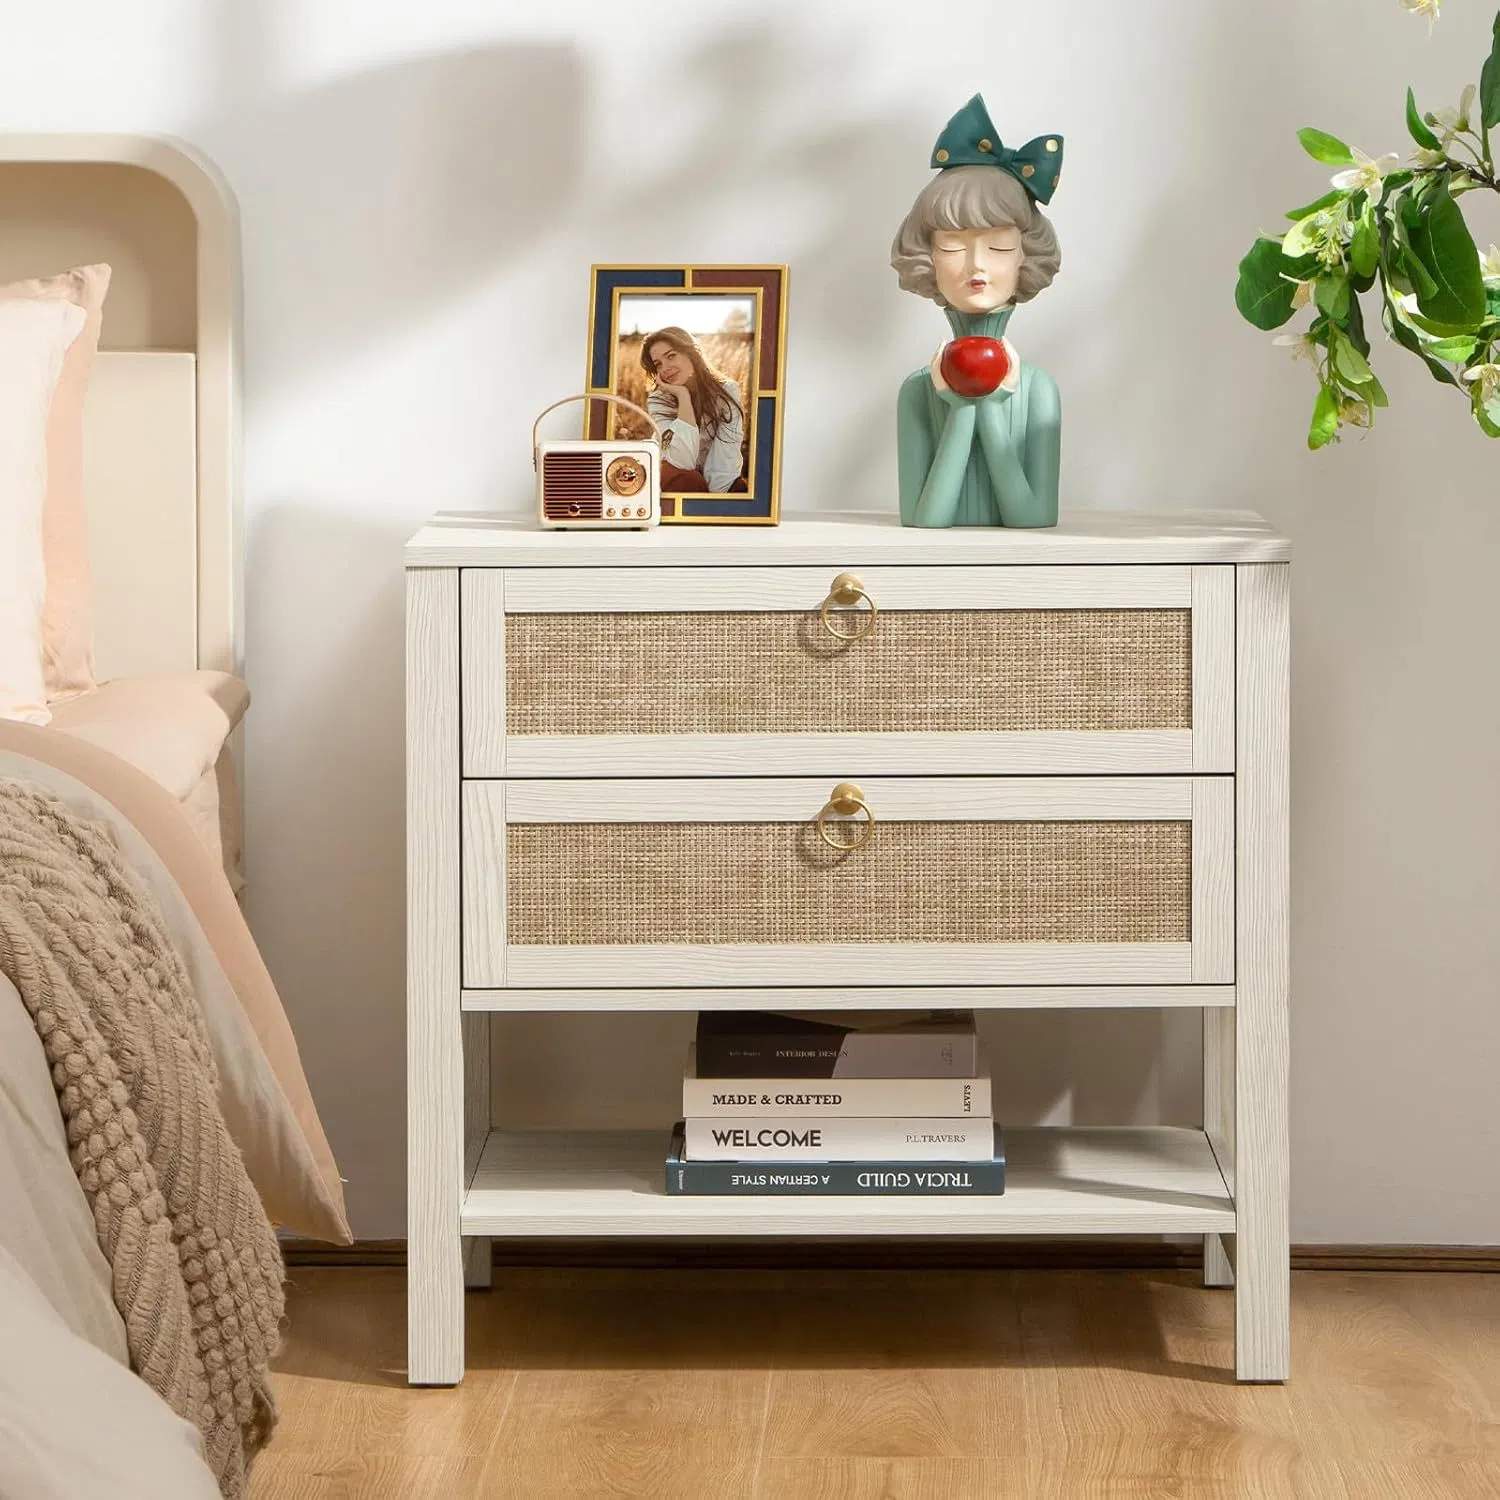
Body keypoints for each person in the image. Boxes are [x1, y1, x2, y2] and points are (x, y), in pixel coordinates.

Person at [890, 94, 1063, 528]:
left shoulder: (1039, 391)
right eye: (952, 245)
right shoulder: (918, 391)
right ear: (926, 257)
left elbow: (1032, 518)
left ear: (1027, 256)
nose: (977, 265)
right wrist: (961, 400)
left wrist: (985, 401)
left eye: (999, 246)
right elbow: (925, 520)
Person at [638, 327, 748, 493]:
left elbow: (726, 452)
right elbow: (681, 461)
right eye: (658, 364)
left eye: (671, 356)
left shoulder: (727, 391)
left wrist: (713, 501)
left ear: (692, 354)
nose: (665, 368)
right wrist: (683, 397)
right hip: (670, 471)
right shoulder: (658, 400)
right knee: (688, 481)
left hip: (712, 474)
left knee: (736, 488)